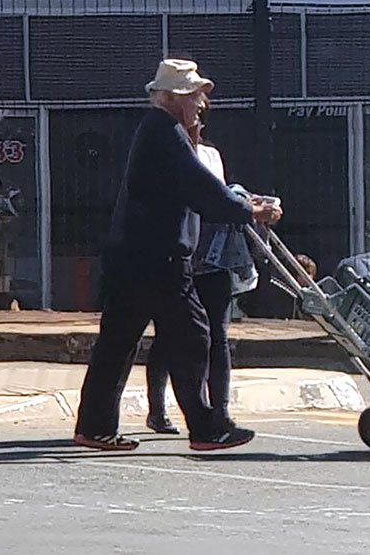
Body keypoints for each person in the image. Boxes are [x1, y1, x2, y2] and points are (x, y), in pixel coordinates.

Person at [73, 59, 281, 452]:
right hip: (158, 258)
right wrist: (248, 211)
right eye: (197, 94)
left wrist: (237, 203)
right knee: (193, 335)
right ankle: (206, 427)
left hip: (132, 255)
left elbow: (197, 187)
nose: (203, 102)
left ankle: (95, 426)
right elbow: (198, 185)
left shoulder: (159, 131)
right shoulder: (166, 132)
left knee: (117, 342)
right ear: (176, 98)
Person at [146, 96, 278, 437]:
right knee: (170, 338)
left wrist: (248, 204)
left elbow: (218, 196)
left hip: (213, 259)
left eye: (199, 120)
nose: (195, 125)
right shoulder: (167, 153)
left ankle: (219, 411)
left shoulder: (209, 156)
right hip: (180, 259)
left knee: (217, 337)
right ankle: (158, 409)